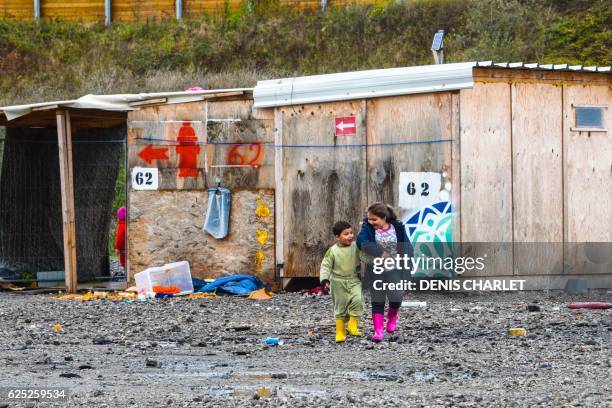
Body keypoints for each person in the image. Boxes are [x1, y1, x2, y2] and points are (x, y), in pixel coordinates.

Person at [357, 202, 413, 342]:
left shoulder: (397, 228)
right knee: (377, 300)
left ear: (384, 218)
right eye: (369, 218)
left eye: (374, 219)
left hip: (394, 269)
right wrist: (380, 252)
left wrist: (407, 269)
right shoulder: (367, 228)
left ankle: (392, 315)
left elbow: (407, 248)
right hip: (376, 270)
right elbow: (361, 241)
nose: (371, 222)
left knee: (396, 296)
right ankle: (378, 331)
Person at [320, 221, 364, 343]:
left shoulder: (356, 247)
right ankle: (340, 331)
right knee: (340, 307)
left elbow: (365, 257)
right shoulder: (332, 251)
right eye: (346, 234)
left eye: (351, 233)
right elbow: (326, 266)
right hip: (338, 282)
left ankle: (352, 324)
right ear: (337, 237)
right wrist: (324, 280)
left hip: (354, 279)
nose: (350, 236)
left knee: (358, 300)